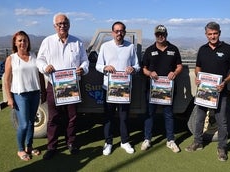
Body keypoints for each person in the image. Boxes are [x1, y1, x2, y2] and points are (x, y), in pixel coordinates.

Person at [36, 13, 89, 160]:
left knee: (72, 117)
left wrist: (83, 69)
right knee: (53, 118)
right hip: (54, 86)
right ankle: (52, 147)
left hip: (72, 86)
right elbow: (39, 60)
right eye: (59, 24)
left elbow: (85, 61)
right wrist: (45, 67)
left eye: (65, 23)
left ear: (69, 25)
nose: (62, 26)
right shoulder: (47, 42)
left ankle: (71, 143)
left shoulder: (77, 42)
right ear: (54, 26)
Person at [185, 22, 230, 162]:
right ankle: (198, 142)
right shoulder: (202, 49)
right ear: (206, 35)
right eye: (210, 34)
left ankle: (222, 148)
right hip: (204, 91)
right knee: (199, 118)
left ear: (219, 33)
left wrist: (225, 82)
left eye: (215, 33)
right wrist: (198, 77)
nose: (213, 36)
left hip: (221, 91)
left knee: (222, 121)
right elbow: (197, 67)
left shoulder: (228, 49)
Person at [96, 21, 140, 155]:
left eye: (121, 31)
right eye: (116, 31)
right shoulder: (105, 46)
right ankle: (108, 142)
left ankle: (125, 141)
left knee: (124, 117)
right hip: (108, 88)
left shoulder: (131, 47)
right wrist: (105, 67)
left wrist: (133, 69)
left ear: (125, 33)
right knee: (108, 116)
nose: (119, 33)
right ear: (112, 33)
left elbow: (137, 66)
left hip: (125, 89)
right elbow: (98, 65)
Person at [141, 25, 183, 153]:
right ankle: (147, 139)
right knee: (149, 114)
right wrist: (149, 73)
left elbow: (179, 66)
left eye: (162, 34)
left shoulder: (174, 49)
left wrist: (175, 73)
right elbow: (144, 68)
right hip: (152, 89)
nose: (160, 36)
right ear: (155, 35)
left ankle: (170, 140)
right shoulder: (149, 50)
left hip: (168, 90)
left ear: (166, 34)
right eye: (158, 34)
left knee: (169, 115)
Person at [4, 31, 41, 161]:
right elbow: (6, 80)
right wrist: (9, 98)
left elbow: (40, 75)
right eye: (19, 40)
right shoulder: (11, 58)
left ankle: (29, 147)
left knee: (31, 123)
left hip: (35, 93)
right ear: (15, 43)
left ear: (28, 42)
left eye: (25, 40)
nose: (22, 43)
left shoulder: (33, 55)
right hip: (20, 95)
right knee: (24, 124)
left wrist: (42, 91)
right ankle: (20, 150)